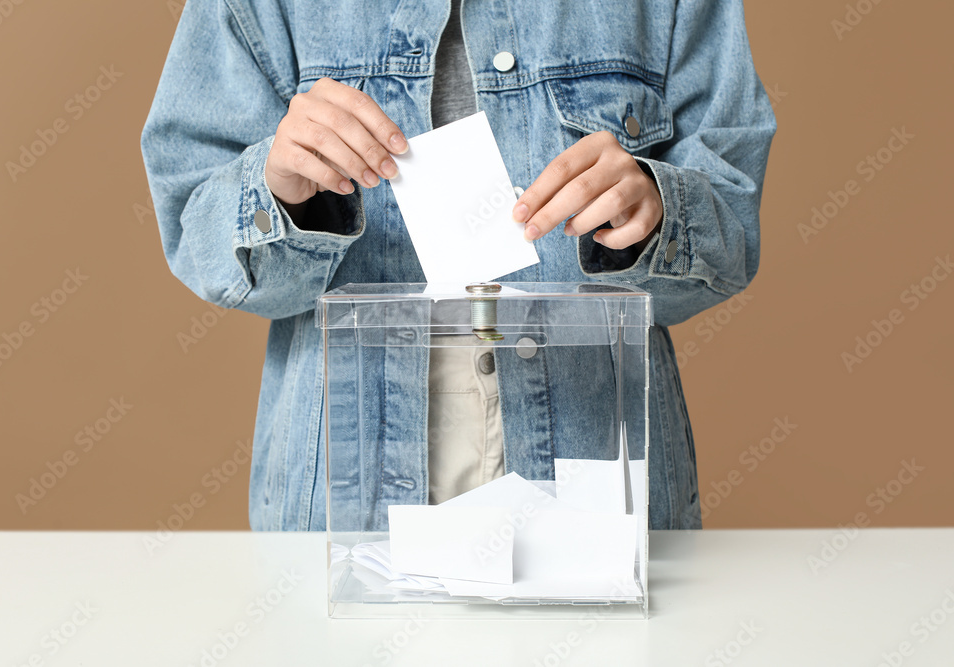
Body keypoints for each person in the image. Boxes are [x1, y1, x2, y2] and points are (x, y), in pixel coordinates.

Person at [141, 0, 776, 531]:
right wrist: (275, 187)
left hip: (597, 512)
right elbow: (197, 234)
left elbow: (730, 234)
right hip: (345, 508)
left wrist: (655, 213)